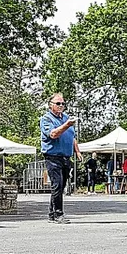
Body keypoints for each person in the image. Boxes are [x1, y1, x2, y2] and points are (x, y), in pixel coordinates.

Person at [40, 93, 80, 223]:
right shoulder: (46, 119)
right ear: (50, 105)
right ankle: (58, 214)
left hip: (65, 157)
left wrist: (77, 151)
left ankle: (52, 214)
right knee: (57, 185)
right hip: (53, 156)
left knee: (61, 186)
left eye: (63, 103)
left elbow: (71, 137)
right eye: (58, 103)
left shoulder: (66, 118)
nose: (61, 106)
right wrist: (66, 125)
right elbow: (53, 134)